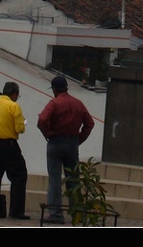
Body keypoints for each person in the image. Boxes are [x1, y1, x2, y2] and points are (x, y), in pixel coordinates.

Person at [36, 75, 95, 224]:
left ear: (55, 90)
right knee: (73, 179)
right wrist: (79, 139)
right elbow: (90, 123)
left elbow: (42, 120)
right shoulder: (78, 103)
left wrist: (47, 133)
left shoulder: (54, 103)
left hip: (56, 142)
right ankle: (77, 213)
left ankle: (56, 214)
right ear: (67, 88)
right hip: (72, 143)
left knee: (55, 179)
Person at [0, 81, 29, 220]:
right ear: (14, 94)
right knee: (19, 175)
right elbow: (20, 129)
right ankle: (16, 211)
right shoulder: (14, 106)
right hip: (9, 144)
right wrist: (22, 122)